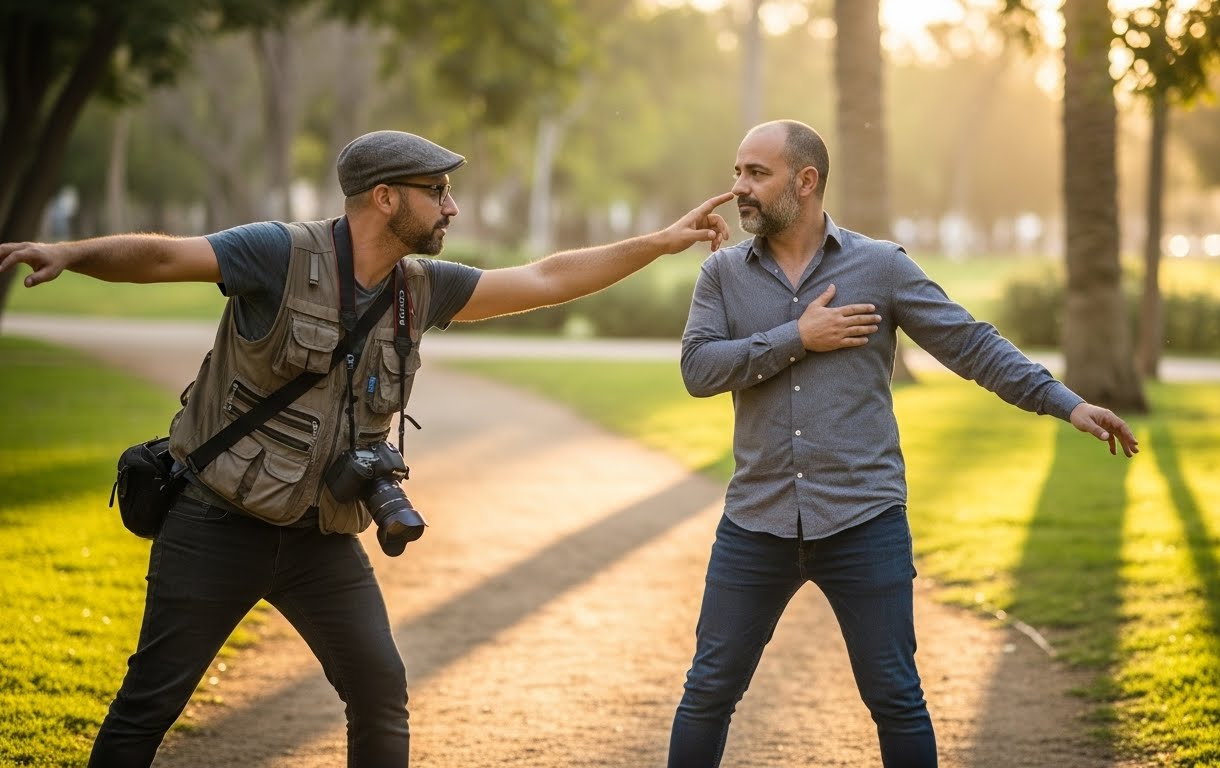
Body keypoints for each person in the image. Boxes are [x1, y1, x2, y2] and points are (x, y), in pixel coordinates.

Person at [0, 129, 732, 768]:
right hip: (215, 522)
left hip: (320, 538)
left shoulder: (421, 288)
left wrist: (660, 242)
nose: (451, 207)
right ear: (384, 198)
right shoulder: (276, 254)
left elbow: (543, 279)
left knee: (380, 694)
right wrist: (70, 251)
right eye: (436, 192)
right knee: (148, 706)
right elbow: (162, 258)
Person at [668, 119, 1139, 767]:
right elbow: (698, 371)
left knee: (895, 697)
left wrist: (1067, 403)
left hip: (863, 522)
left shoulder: (879, 267)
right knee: (707, 693)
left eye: (755, 174)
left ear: (805, 182)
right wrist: (795, 338)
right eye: (737, 172)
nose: (738, 189)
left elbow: (970, 345)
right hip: (756, 523)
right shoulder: (722, 274)